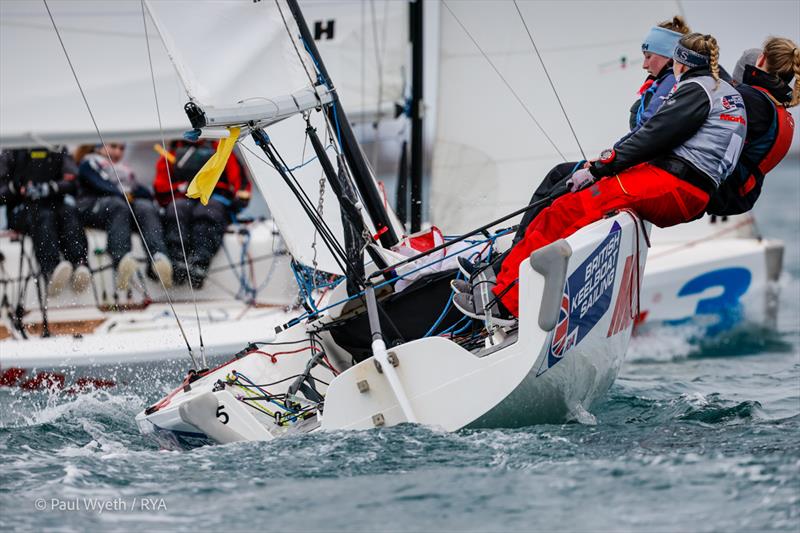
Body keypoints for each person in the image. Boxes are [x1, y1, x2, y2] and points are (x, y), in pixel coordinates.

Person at [454, 33, 746, 323]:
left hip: (674, 186)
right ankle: (510, 287)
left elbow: (652, 136)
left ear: (680, 62)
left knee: (561, 212)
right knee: (565, 213)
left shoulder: (696, 89)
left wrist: (597, 169)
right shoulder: (726, 92)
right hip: (688, 190)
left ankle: (501, 304)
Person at [508, 16, 691, 250]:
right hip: (633, 161)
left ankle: (518, 251)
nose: (644, 65)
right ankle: (518, 246)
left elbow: (648, 132)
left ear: (668, 56)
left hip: (642, 167)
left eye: (648, 57)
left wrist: (607, 161)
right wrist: (607, 158)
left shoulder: (670, 84)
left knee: (562, 188)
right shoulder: (660, 83)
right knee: (559, 176)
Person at [706, 37, 798, 215]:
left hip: (720, 190)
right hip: (741, 193)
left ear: (762, 59)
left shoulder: (752, 100)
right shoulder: (779, 110)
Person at [153, 139, 251, 288]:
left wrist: (240, 196)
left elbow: (240, 180)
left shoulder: (220, 148)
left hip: (215, 197)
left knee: (207, 212)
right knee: (176, 210)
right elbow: (160, 186)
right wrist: (181, 187)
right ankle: (178, 262)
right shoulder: (171, 152)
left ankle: (200, 264)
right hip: (185, 196)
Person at [76, 143, 173, 290]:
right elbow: (100, 185)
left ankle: (158, 257)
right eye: (113, 146)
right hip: (94, 207)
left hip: (121, 210)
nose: (117, 152)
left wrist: (134, 197)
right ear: (99, 146)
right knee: (118, 205)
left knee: (145, 207)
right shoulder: (89, 162)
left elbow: (143, 193)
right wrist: (125, 194)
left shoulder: (125, 170)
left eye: (122, 149)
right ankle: (121, 259)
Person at [0, 147, 90, 296]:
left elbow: (74, 182)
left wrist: (51, 188)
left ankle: (79, 263)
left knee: (69, 213)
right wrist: (16, 188)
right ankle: (51, 269)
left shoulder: (57, 148)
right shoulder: (11, 152)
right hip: (22, 208)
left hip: (54, 204)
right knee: (43, 216)